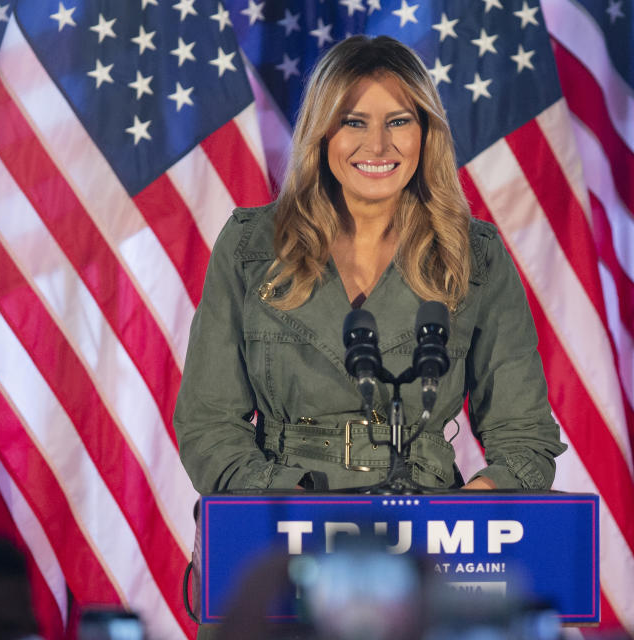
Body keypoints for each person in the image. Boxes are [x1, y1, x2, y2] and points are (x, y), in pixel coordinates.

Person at [173, 34, 566, 496]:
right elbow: (209, 424)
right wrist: (296, 515)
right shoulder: (251, 245)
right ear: (323, 133)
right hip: (280, 518)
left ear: (425, 132)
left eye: (398, 122)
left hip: (427, 529)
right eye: (353, 123)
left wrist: (463, 517)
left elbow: (525, 437)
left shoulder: (474, 254)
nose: (377, 146)